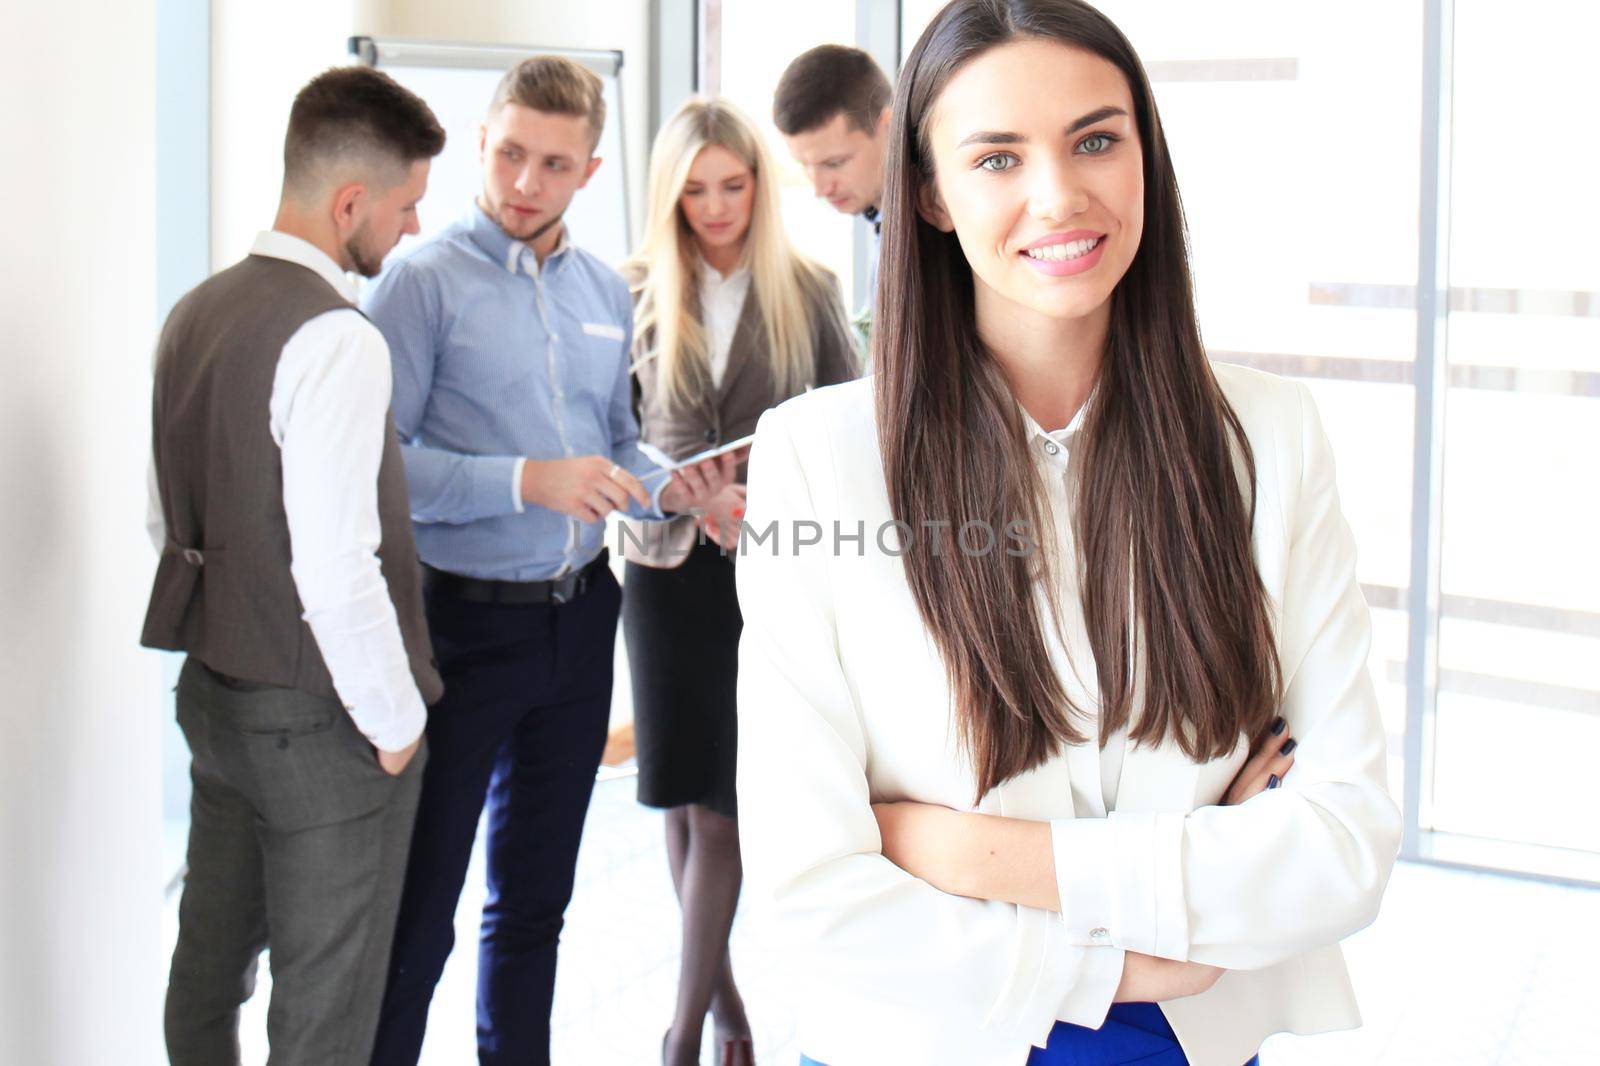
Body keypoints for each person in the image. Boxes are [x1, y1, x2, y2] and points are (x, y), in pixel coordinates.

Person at [733, 2, 1402, 1064]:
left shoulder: (1267, 437)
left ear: (1146, 157)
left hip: (1190, 1038)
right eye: (996, 157)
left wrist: (974, 853)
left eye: (1096, 139)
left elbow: (1340, 847)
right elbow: (808, 891)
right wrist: (1130, 954)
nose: (1058, 194)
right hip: (930, 1034)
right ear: (929, 195)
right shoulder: (816, 458)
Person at [362, 57, 736, 1066]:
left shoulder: (601, 289)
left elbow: (617, 442)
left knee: (535, 902)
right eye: (511, 153)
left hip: (580, 624)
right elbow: (381, 466)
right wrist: (527, 480)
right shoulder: (419, 283)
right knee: (421, 909)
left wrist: (684, 490)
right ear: (480, 143)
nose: (525, 180)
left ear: (589, 170)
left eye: (553, 163)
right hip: (460, 628)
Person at [144, 67, 446, 1065]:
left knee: (202, 976)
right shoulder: (335, 339)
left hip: (215, 697)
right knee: (326, 1016)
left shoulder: (193, 311)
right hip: (322, 727)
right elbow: (336, 566)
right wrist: (397, 725)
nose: (408, 230)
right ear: (350, 201)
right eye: (404, 207)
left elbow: (165, 520)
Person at [618, 96, 859, 1066]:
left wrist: (755, 496)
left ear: (759, 185)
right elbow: (607, 437)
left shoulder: (807, 287)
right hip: (664, 573)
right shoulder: (630, 291)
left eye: (733, 184)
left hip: (765, 573)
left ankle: (681, 1035)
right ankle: (728, 1014)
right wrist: (677, 493)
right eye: (696, 190)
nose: (716, 207)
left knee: (723, 803)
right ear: (670, 196)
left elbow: (850, 425)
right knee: (676, 798)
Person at [773, 44, 893, 325]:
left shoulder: (941, 222)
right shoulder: (883, 219)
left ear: (888, 125)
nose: (820, 189)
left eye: (834, 163)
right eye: (805, 165)